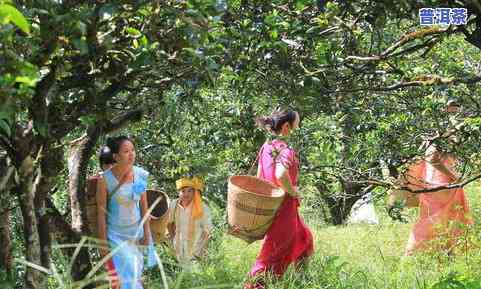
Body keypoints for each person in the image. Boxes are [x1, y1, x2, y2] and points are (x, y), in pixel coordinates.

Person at [245, 108, 314, 289]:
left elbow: (260, 177)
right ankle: (253, 286)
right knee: (273, 253)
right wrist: (293, 191)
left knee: (305, 238)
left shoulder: (266, 147)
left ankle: (301, 282)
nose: (296, 128)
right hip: (285, 207)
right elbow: (281, 173)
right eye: (296, 125)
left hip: (272, 205)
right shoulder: (286, 150)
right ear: (285, 127)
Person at [404, 101, 472, 255]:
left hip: (437, 183)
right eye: (453, 112)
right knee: (433, 221)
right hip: (440, 184)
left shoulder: (436, 132)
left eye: (457, 111)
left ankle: (446, 256)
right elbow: (433, 159)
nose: (456, 116)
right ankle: (413, 255)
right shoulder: (441, 132)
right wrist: (454, 177)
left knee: (445, 220)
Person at [96, 136, 157, 289]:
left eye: (132, 150)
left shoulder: (140, 175)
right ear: (116, 156)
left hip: (135, 236)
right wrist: (102, 244)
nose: (131, 154)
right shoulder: (104, 180)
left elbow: (143, 206)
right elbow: (101, 213)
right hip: (115, 236)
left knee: (134, 276)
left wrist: (147, 236)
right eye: (126, 151)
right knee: (124, 279)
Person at [166, 176, 213, 265]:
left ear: (194, 192)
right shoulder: (174, 205)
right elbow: (169, 222)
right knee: (180, 275)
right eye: (183, 191)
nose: (186, 194)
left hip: (196, 251)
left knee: (195, 276)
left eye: (189, 191)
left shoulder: (202, 208)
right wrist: (173, 238)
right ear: (178, 193)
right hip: (178, 249)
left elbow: (208, 231)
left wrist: (202, 249)